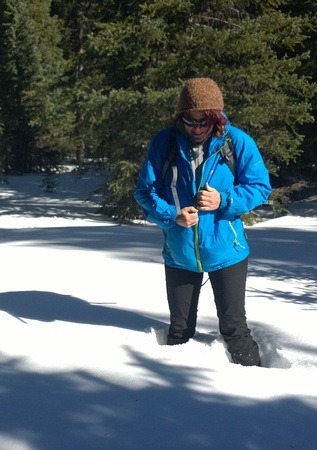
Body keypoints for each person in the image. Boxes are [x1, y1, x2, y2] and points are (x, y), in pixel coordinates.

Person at [134, 77, 272, 366]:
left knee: (234, 331)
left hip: (226, 249)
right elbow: (145, 191)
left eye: (204, 122)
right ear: (181, 117)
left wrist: (224, 200)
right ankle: (177, 398)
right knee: (179, 332)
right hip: (180, 252)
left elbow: (260, 186)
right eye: (190, 121)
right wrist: (173, 215)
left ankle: (258, 390)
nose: (197, 129)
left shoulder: (237, 142)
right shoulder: (165, 142)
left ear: (216, 118)